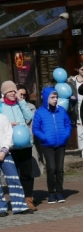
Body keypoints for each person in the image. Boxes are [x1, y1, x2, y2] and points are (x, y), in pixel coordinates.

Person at [31, 86, 72, 204]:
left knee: (59, 169)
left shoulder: (61, 110)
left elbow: (68, 123)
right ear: (46, 98)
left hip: (61, 144)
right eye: (52, 97)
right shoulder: (40, 112)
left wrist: (66, 135)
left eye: (56, 97)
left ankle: (59, 191)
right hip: (47, 145)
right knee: (51, 168)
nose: (55, 99)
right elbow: (36, 129)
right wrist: (45, 138)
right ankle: (51, 192)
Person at [1, 80, 36, 210]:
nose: (12, 93)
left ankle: (28, 198)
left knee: (27, 173)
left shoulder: (20, 104)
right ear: (4, 93)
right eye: (9, 91)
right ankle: (17, 200)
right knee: (13, 175)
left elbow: (28, 116)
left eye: (14, 91)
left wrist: (21, 101)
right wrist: (8, 125)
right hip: (10, 145)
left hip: (25, 144)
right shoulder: (1, 106)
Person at [0, 113, 30, 215]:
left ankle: (19, 206)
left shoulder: (3, 117)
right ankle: (1, 208)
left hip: (5, 152)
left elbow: (9, 135)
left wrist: (4, 150)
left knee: (13, 178)